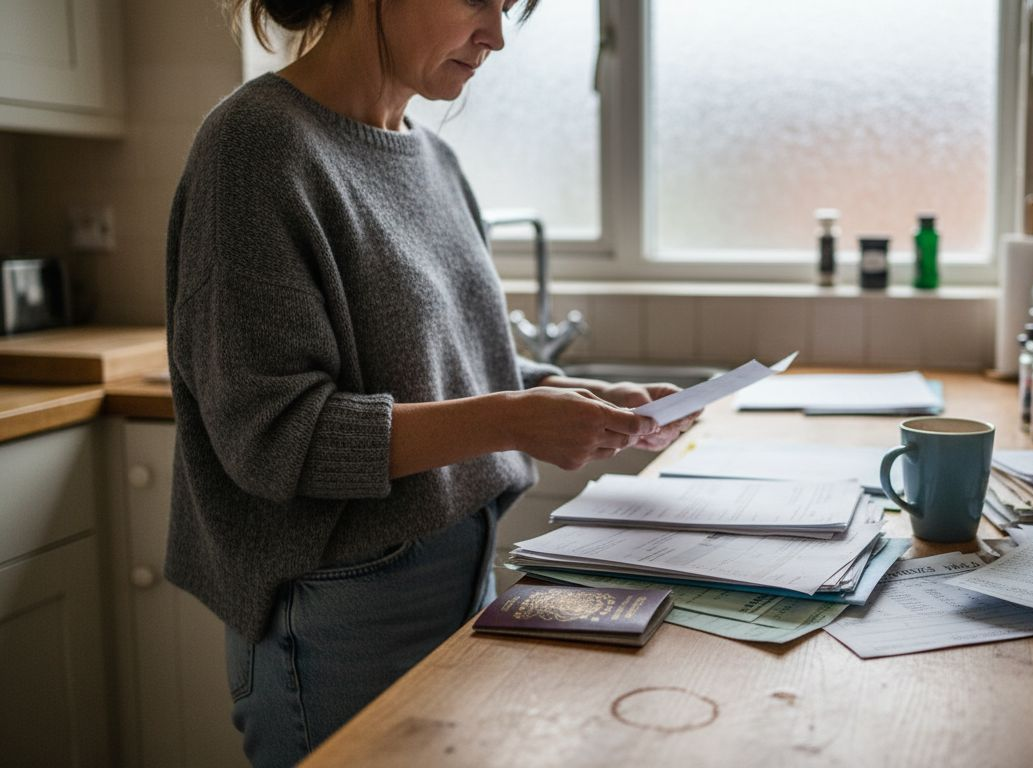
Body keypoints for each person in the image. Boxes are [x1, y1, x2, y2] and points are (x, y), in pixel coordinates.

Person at [164, 1, 696, 765]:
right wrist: (515, 419)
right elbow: (275, 439)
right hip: (334, 616)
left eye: (508, 6)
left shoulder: (434, 161)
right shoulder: (255, 146)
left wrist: (574, 397)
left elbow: (456, 366)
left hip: (461, 575)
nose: (497, 34)